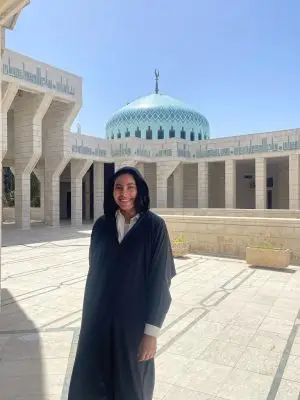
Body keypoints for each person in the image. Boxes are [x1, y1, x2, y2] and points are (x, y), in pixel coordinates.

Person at [68, 166, 176, 400]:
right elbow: (95, 273)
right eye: (118, 187)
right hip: (98, 321)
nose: (124, 194)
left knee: (132, 385)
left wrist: (151, 333)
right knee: (94, 382)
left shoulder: (154, 227)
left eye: (130, 187)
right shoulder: (102, 226)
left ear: (140, 191)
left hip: (133, 326)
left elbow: (160, 281)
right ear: (111, 192)